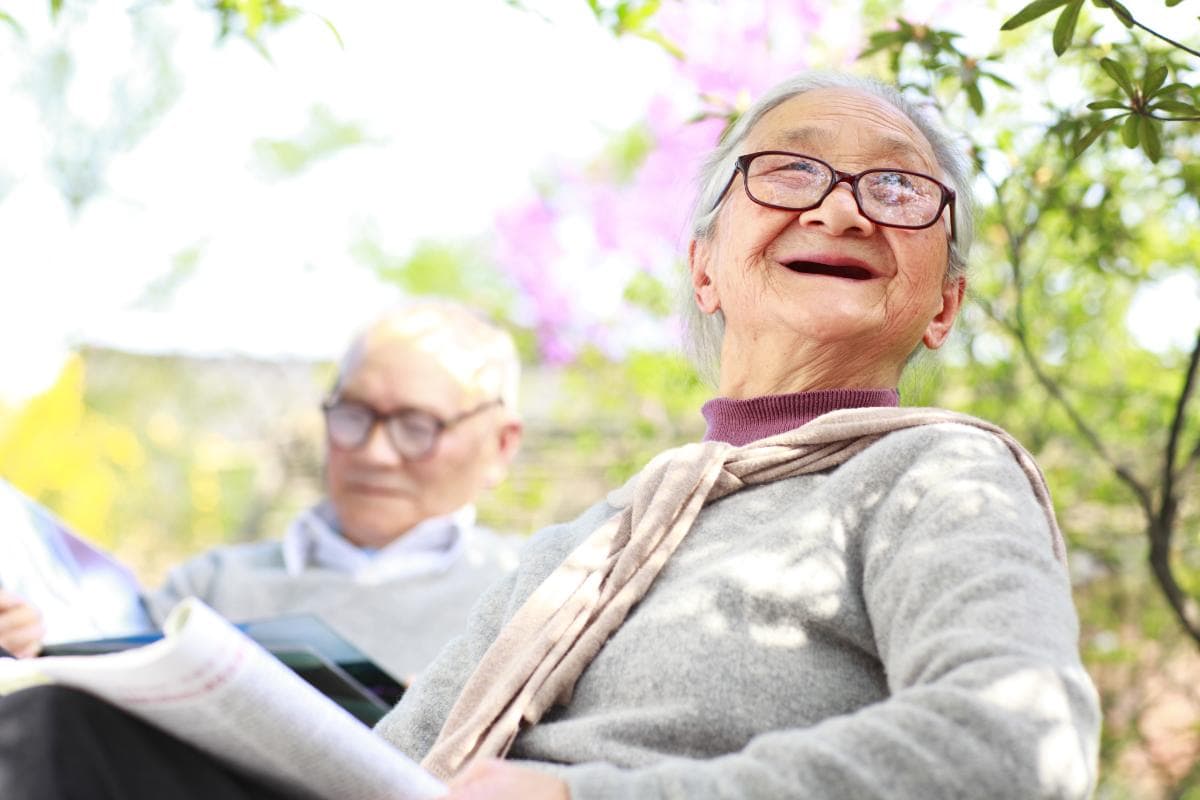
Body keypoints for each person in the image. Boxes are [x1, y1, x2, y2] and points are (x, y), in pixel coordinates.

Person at [0, 71, 1100, 800]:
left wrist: (590, 795)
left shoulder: (933, 475)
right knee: (60, 728)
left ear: (942, 303)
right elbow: (386, 767)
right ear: (706, 265)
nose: (845, 207)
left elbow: (1014, 741)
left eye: (902, 187)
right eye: (792, 169)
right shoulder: (592, 542)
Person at [0, 299, 524, 681]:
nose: (373, 452)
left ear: (500, 446)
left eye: (417, 425)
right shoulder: (208, 588)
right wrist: (31, 643)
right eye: (353, 415)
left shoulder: (527, 601)